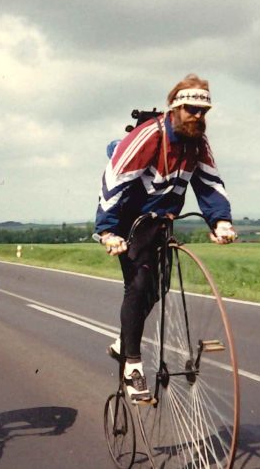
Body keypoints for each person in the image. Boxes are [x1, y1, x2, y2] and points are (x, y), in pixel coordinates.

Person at [94, 73, 237, 403]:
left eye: (203, 111)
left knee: (159, 287)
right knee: (139, 285)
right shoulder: (149, 136)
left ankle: (123, 341)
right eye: (191, 110)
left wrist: (221, 222)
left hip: (163, 221)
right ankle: (132, 366)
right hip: (131, 220)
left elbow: (209, 183)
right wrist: (107, 231)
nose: (197, 116)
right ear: (175, 108)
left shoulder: (198, 143)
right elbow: (114, 182)